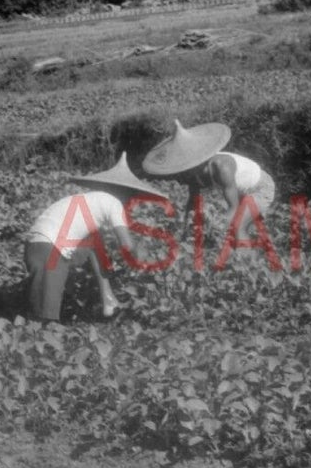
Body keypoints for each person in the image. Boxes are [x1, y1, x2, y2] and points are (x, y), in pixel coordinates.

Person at [22, 155, 171, 322]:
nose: (132, 200)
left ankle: (107, 298)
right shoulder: (114, 203)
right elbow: (127, 245)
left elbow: (97, 251)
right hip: (49, 249)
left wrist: (106, 291)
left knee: (95, 244)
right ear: (124, 191)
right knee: (44, 318)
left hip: (36, 246)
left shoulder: (89, 201)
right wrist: (145, 260)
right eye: (132, 195)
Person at [141, 118, 276, 248]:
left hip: (260, 188)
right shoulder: (194, 175)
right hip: (240, 189)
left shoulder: (222, 167)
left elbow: (233, 207)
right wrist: (184, 229)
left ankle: (245, 267)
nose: (185, 170)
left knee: (238, 226)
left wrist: (215, 228)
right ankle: (239, 257)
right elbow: (193, 203)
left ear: (198, 160)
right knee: (229, 231)